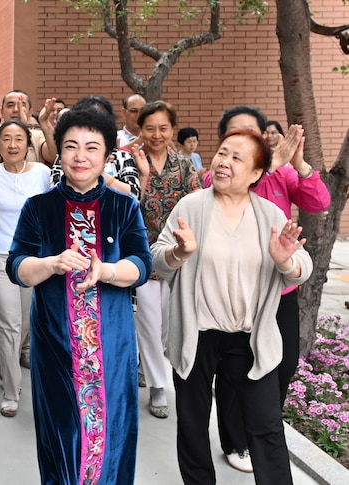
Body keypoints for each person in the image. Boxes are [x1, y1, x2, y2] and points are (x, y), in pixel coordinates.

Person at [151, 129, 312, 485]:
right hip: (199, 334)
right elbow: (157, 259)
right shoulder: (191, 206)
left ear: (257, 173)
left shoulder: (269, 213)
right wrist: (179, 253)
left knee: (266, 425)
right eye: (222, 152)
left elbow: (302, 266)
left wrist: (286, 262)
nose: (224, 161)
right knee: (193, 423)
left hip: (250, 337)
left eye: (237, 157)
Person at [7, 108, 151, 484]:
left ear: (107, 156)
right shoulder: (39, 208)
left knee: (112, 436)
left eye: (91, 148)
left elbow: (142, 265)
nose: (80, 156)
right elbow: (17, 267)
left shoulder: (123, 207)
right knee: (62, 435)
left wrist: (107, 271)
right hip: (55, 346)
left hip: (112, 345)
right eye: (70, 146)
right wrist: (52, 263)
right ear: (59, 154)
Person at [208, 106, 330, 473]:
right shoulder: (215, 178)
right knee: (234, 371)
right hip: (236, 296)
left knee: (284, 363)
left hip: (279, 293)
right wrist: (271, 166)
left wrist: (301, 164)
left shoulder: (280, 174)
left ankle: (261, 427)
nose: (242, 140)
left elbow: (320, 202)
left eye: (251, 133)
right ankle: (235, 441)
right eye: (233, 134)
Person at [132, 100, 200, 419]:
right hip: (141, 254)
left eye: (163, 128)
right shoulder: (128, 161)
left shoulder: (185, 166)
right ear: (140, 129)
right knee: (147, 319)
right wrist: (143, 179)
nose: (156, 134)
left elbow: (198, 207)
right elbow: (123, 206)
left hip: (175, 255)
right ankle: (159, 386)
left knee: (166, 322)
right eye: (150, 128)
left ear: (173, 129)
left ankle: (149, 363)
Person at [0, 120, 51, 417]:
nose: (12, 145)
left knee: (25, 324)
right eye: (6, 139)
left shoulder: (42, 174)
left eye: (19, 139)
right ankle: (11, 390)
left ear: (28, 144)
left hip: (33, 261)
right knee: (9, 325)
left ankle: (10, 369)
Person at [0, 90, 58, 168]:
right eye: (10, 105)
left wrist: (45, 124)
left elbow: (53, 156)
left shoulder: (37, 134)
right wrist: (12, 126)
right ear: (2, 111)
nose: (16, 110)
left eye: (22, 105)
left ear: (30, 112)